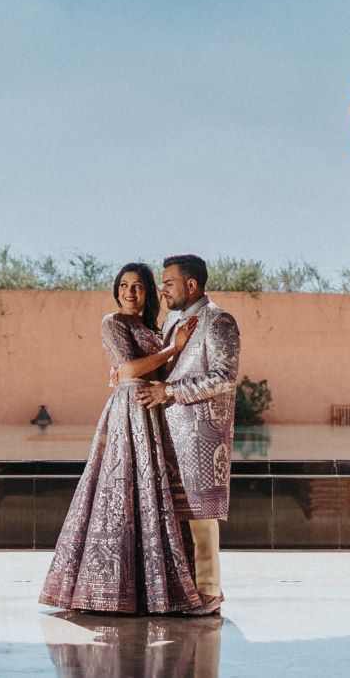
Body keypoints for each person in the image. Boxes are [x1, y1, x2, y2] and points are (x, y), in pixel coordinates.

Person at [38, 262, 215, 616]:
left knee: (153, 496)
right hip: (129, 412)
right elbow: (129, 370)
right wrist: (171, 349)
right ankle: (109, 588)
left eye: (137, 286)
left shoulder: (154, 326)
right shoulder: (112, 323)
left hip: (154, 411)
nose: (129, 292)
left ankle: (154, 590)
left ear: (148, 292)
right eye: (123, 285)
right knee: (121, 492)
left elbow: (161, 370)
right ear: (116, 290)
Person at [144, 253, 239, 605]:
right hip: (169, 431)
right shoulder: (171, 321)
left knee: (202, 516)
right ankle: (184, 591)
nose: (163, 290)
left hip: (203, 435)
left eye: (169, 283)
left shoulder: (218, 321)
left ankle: (210, 592)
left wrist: (169, 391)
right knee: (177, 514)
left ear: (191, 284)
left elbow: (224, 377)